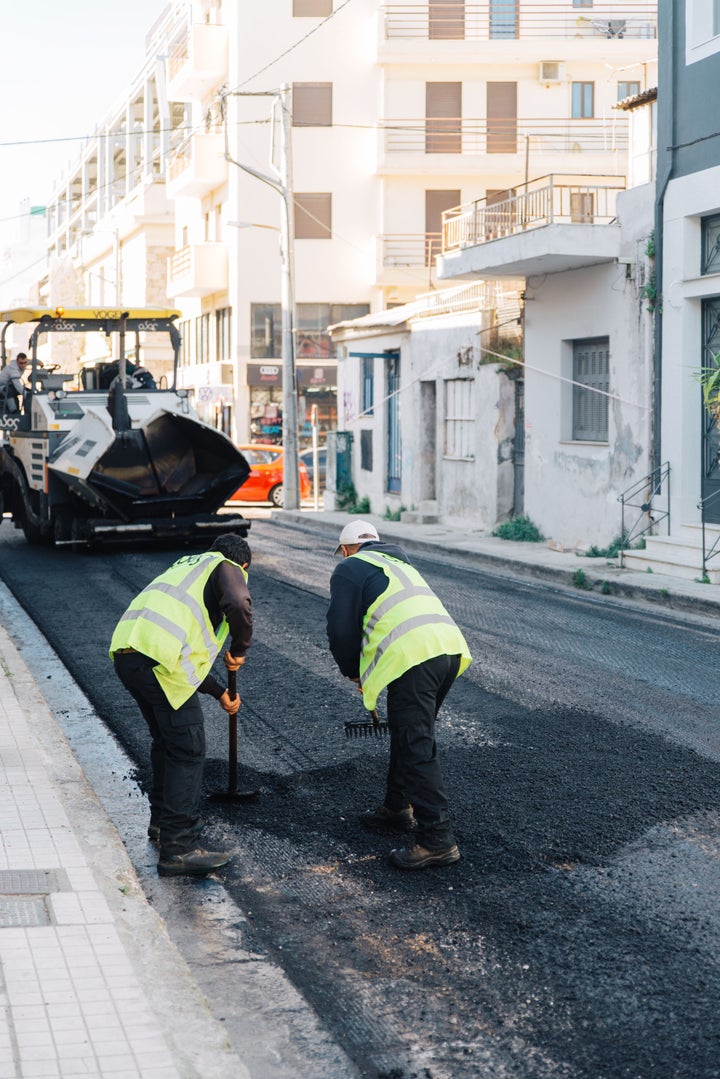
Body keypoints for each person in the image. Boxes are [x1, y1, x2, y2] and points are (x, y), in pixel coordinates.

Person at [327, 520, 472, 871]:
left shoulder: (349, 567)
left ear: (346, 549)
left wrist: (352, 670)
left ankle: (437, 841)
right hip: (448, 650)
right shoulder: (399, 562)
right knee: (409, 734)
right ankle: (396, 807)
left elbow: (341, 628)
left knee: (416, 743)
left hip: (414, 658)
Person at [109, 534, 253, 878]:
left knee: (167, 741)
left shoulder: (186, 568)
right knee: (188, 748)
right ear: (242, 565)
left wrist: (220, 691)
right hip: (158, 662)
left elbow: (181, 654)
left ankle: (162, 823)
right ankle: (178, 849)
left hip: (129, 654)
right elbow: (238, 602)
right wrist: (240, 647)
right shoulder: (228, 566)